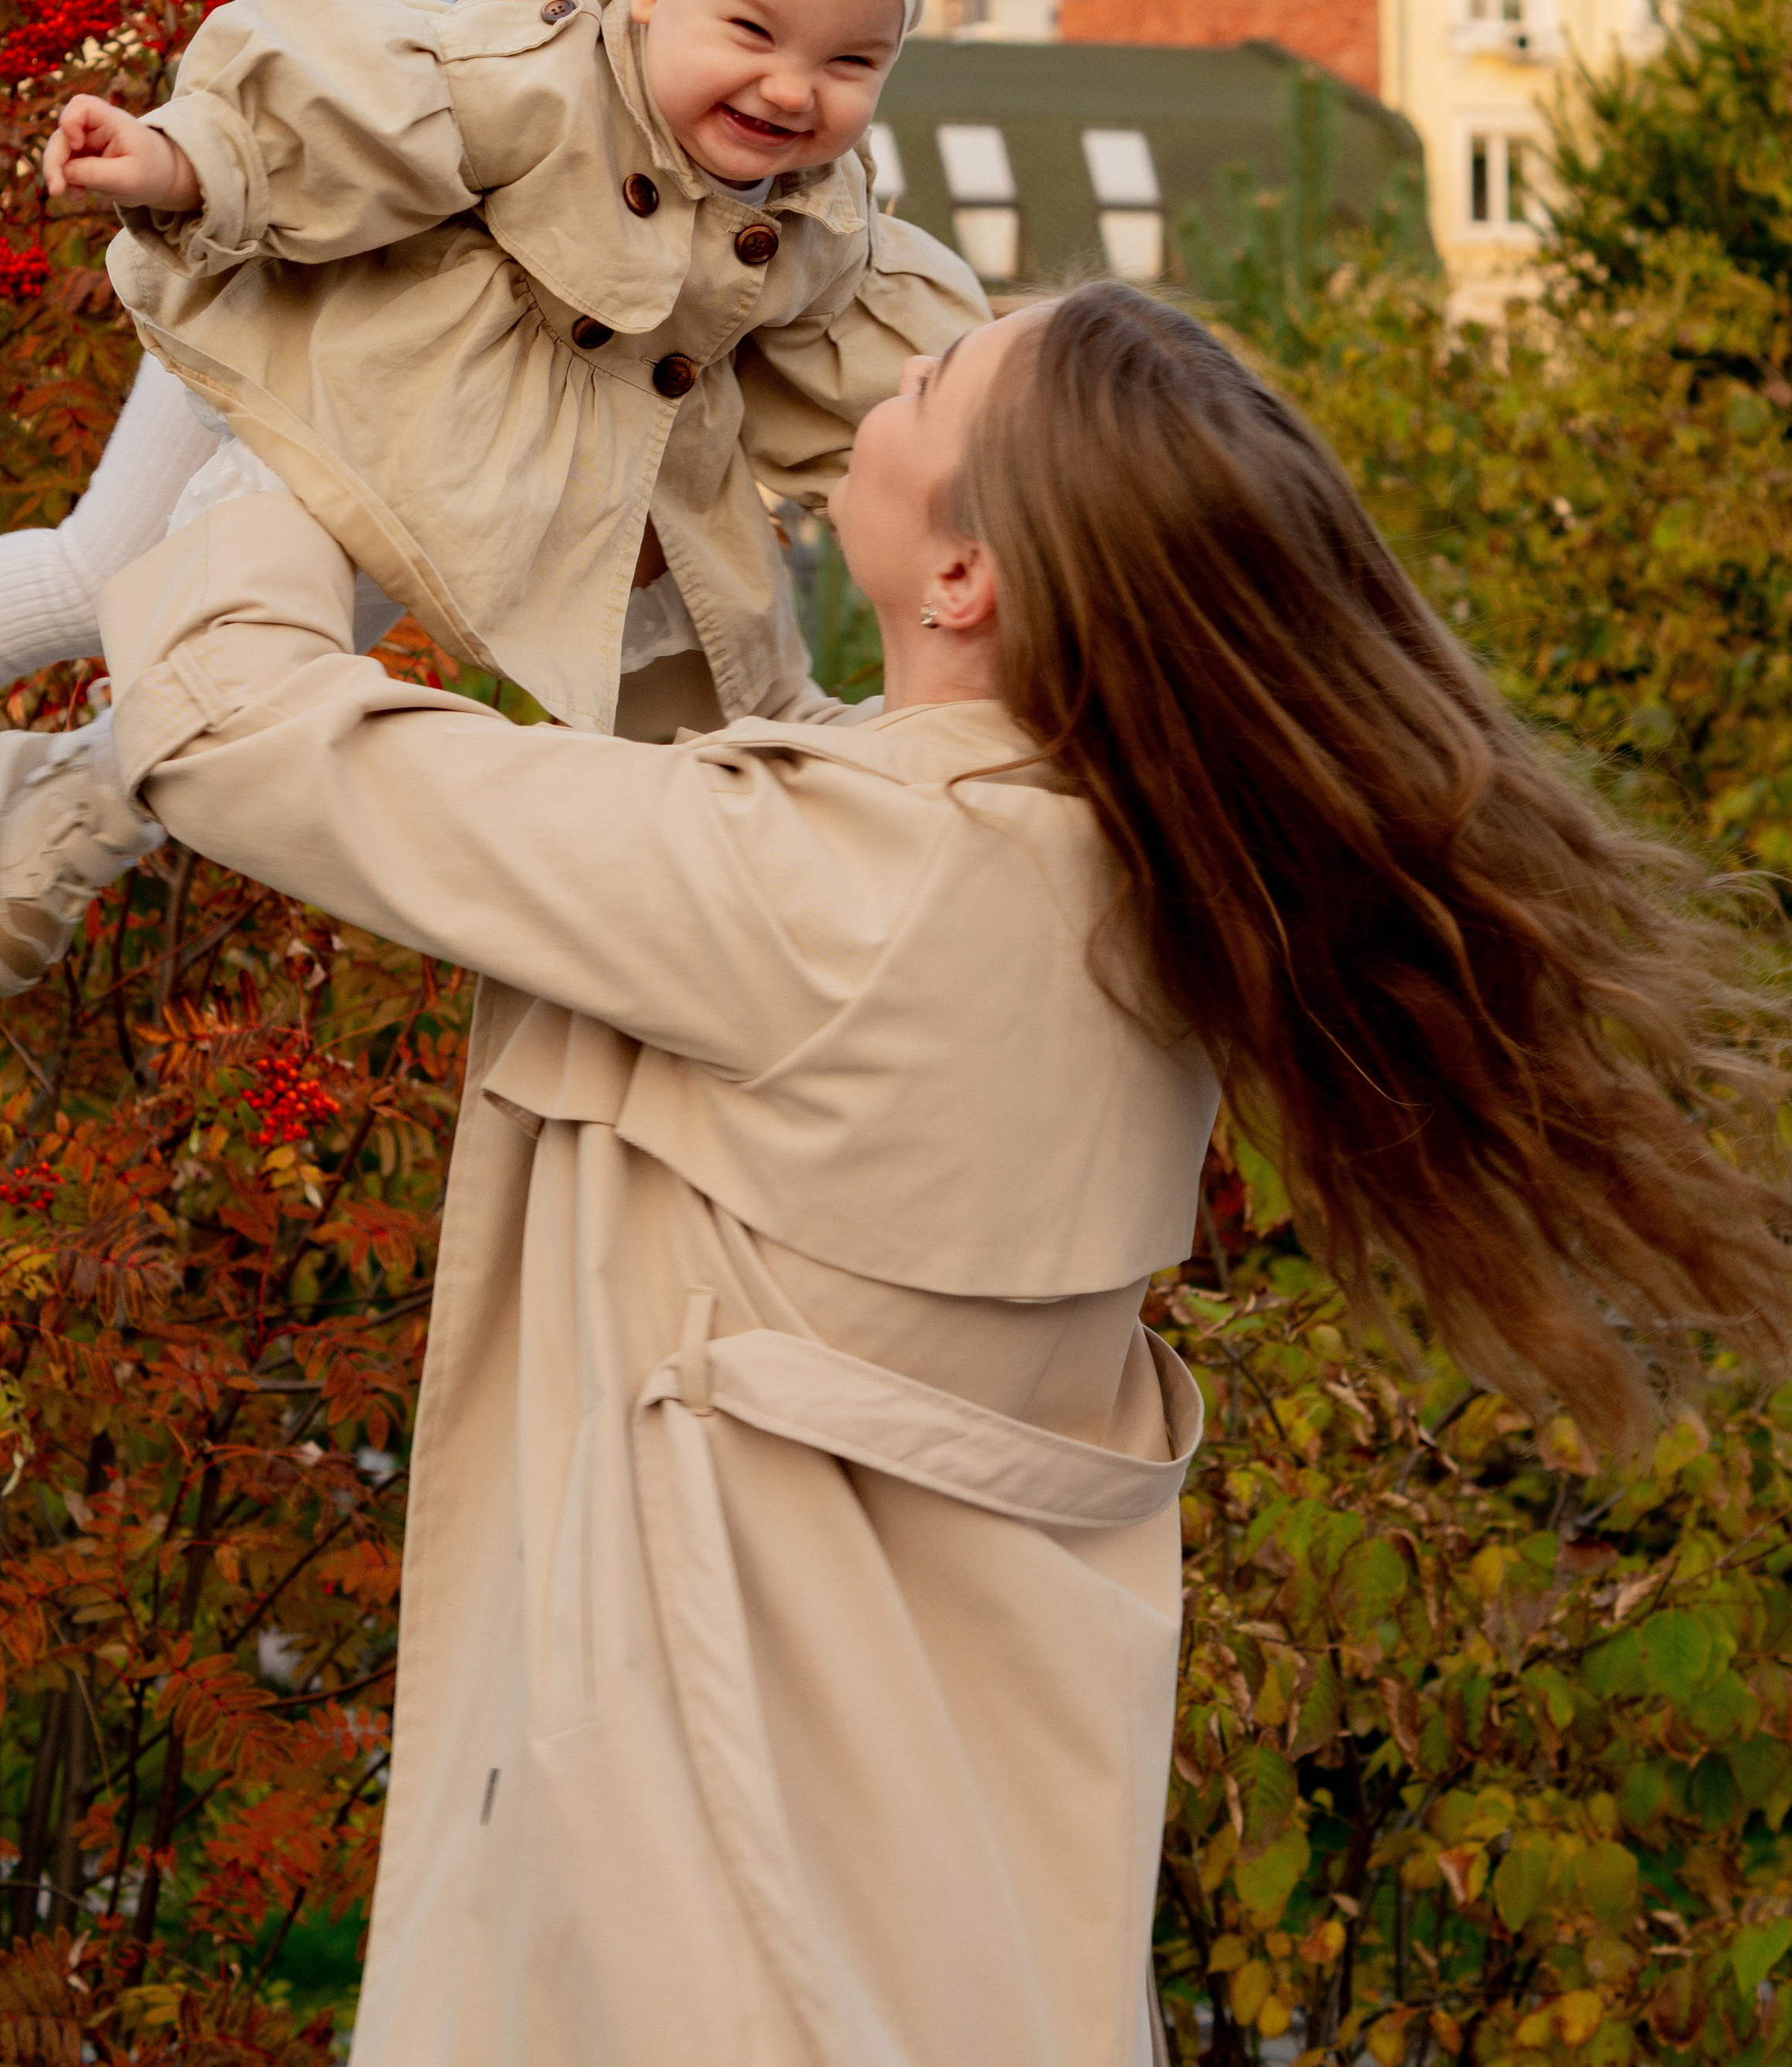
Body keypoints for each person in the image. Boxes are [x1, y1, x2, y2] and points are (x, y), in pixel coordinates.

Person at [91, 280, 1790, 2067]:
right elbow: (719, 778)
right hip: (943, 1931)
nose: (866, 396)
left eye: (918, 384)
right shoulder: (1115, 883)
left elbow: (235, 732)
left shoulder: (841, 890)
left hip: (713, 1950)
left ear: (965, 577)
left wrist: (303, 426)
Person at [0, 0, 986, 996]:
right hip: (319, 332)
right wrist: (178, 157)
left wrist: (1000, 435)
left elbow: (863, 352)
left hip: (447, 466)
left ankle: (71, 799)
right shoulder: (546, 68)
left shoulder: (816, 217)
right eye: (751, 32)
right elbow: (367, 106)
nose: (793, 88)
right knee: (117, 578)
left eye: (853, 62)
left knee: (276, 675)